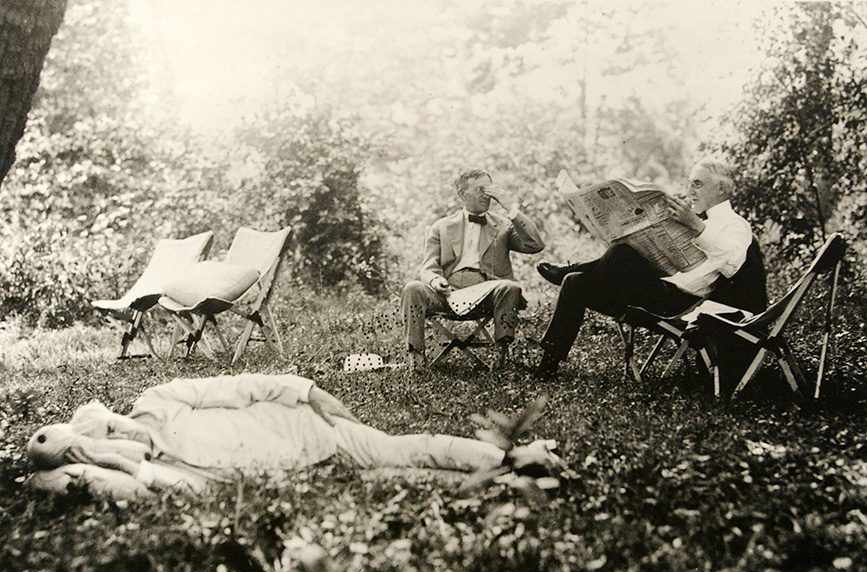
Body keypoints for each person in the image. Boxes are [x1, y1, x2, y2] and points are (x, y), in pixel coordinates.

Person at [26, 374, 558, 499]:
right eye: (114, 436)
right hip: (301, 476)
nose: (126, 430)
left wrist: (307, 391)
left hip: (311, 429)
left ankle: (514, 455)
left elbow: (241, 384)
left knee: (409, 445)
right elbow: (175, 491)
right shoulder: (166, 468)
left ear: (119, 413)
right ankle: (513, 484)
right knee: (405, 478)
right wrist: (104, 467)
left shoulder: (158, 400)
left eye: (116, 422)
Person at [534, 158, 754, 378]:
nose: (689, 191)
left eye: (697, 184)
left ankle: (577, 267)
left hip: (681, 305)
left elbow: (732, 264)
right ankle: (547, 366)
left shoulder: (735, 224)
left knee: (620, 255)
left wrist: (696, 226)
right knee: (575, 282)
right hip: (655, 289)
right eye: (689, 184)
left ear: (721, 188)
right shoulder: (690, 217)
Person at [401, 169, 545, 370]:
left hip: (488, 295)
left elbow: (535, 245)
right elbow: (428, 268)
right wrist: (436, 281)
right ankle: (416, 359)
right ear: (462, 193)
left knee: (510, 287)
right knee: (412, 288)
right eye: (479, 189)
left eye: (488, 189)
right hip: (448, 294)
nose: (486, 195)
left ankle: (500, 357)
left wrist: (510, 208)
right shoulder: (441, 226)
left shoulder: (503, 226)